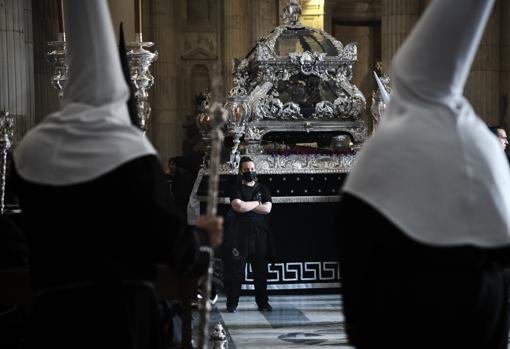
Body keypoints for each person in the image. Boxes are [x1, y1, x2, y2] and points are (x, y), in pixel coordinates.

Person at [11, 1, 222, 349]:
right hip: (124, 319)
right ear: (118, 89)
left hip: (53, 321)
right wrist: (203, 240)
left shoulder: (32, 150)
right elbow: (173, 248)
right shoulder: (128, 150)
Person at [339, 1, 510, 348]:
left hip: (399, 316)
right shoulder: (479, 140)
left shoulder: (382, 150)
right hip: (474, 313)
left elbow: (355, 239)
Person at [222, 156, 273, 313]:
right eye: (246, 170)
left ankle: (263, 303)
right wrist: (257, 203)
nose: (250, 172)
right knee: (236, 269)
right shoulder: (236, 188)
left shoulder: (263, 189)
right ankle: (232, 303)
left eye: (252, 169)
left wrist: (247, 205)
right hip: (239, 234)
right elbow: (237, 206)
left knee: (260, 270)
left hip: (259, 234)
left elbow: (267, 209)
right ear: (241, 171)